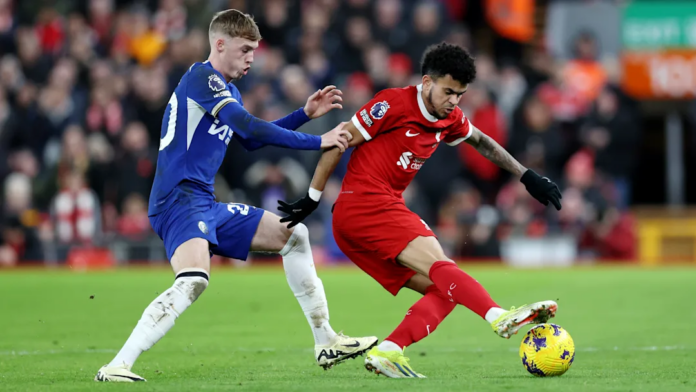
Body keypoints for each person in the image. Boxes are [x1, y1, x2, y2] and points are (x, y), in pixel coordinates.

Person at [95, 10, 377, 382]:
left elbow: (249, 139)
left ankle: (325, 339)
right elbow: (247, 124)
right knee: (194, 279)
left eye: (254, 52)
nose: (250, 59)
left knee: (294, 236)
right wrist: (318, 140)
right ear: (220, 44)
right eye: (244, 50)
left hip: (205, 202)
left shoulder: (228, 91)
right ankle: (118, 364)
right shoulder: (201, 79)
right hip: (177, 200)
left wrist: (303, 114)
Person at [278, 43, 563, 379]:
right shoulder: (392, 103)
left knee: (445, 289)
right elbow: (340, 138)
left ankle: (390, 350)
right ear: (427, 82)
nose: (454, 101)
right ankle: (498, 316)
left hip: (365, 220)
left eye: (460, 94)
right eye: (448, 92)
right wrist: (312, 197)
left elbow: (482, 141)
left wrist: (526, 176)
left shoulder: (450, 117)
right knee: (443, 267)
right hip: (365, 204)